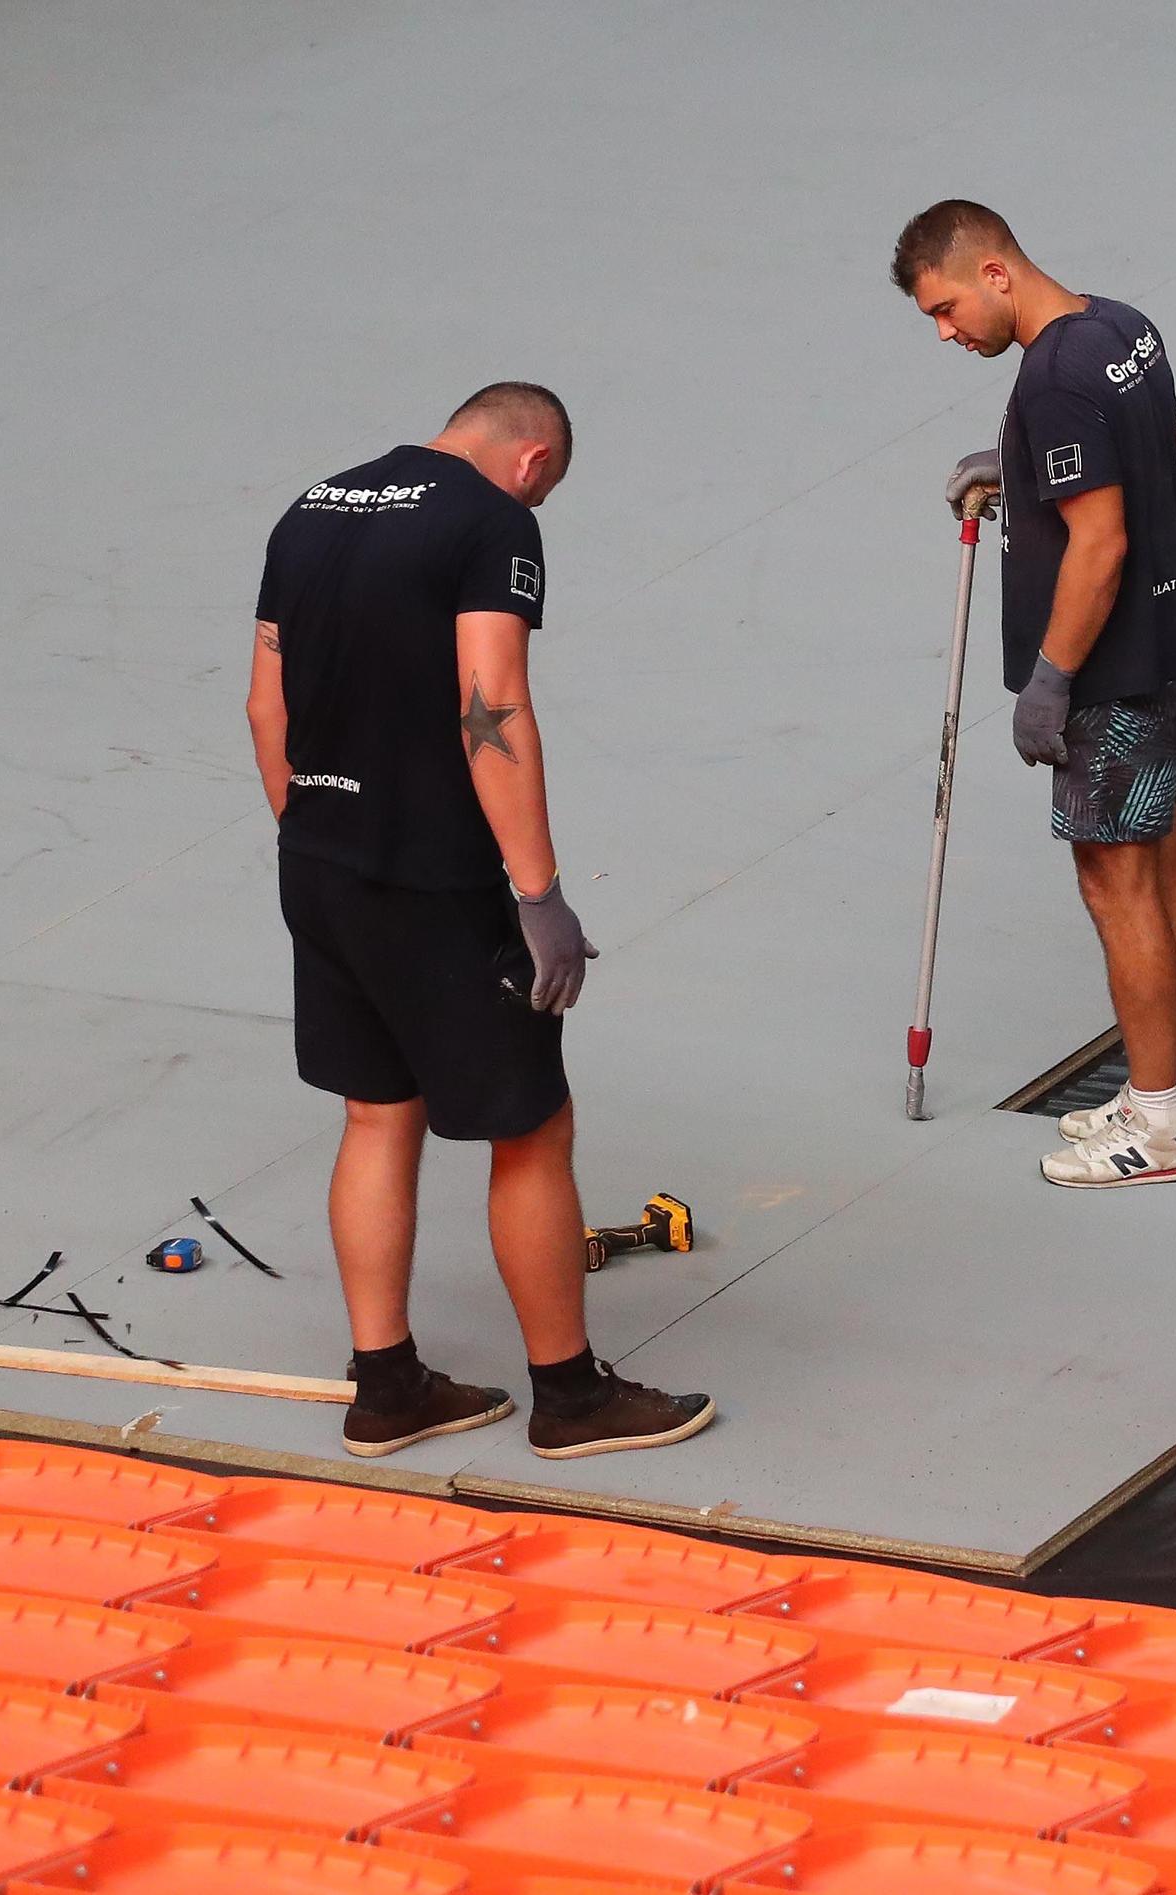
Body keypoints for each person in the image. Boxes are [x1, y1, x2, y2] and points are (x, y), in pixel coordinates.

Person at [246, 382, 714, 1461]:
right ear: (533, 459)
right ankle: (569, 1395)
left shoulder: (312, 507)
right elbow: (488, 704)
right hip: (435, 878)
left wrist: (312, 832)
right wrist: (537, 892)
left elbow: (264, 706)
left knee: (376, 1112)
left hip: (316, 862)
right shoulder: (492, 521)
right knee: (531, 1127)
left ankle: (388, 1385)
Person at [892, 201, 1176, 1188]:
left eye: (946, 309)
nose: (948, 334)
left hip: (1111, 676)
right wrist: (1026, 472)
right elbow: (1130, 460)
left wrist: (1049, 680)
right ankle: (1169, 1089)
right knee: (1164, 865)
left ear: (994, 271)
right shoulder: (1121, 328)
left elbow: (1100, 540)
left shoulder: (1052, 375)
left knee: (1113, 885)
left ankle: (1157, 1127)